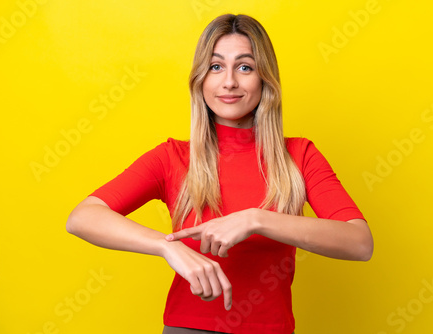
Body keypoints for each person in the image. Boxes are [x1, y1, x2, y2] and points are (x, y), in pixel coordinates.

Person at [66, 14, 373, 334]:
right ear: (200, 79)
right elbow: (83, 217)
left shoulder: (298, 156)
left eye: (244, 67)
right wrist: (166, 246)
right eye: (215, 67)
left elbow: (359, 243)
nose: (229, 82)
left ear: (264, 79)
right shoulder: (173, 158)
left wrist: (257, 219)